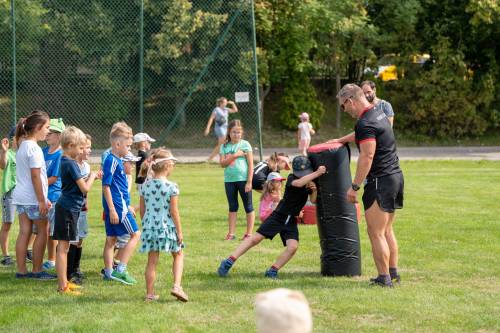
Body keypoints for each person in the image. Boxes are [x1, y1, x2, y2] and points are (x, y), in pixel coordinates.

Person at [336, 83, 404, 287]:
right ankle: (392, 273)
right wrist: (340, 140)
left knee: (375, 232)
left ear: (350, 100)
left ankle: (384, 279)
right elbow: (364, 136)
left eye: (342, 106)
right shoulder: (378, 113)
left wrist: (354, 186)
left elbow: (367, 155)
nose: (344, 110)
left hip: (380, 180)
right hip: (395, 177)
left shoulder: (365, 123)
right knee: (386, 230)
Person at [217, 156, 325, 279]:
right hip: (279, 216)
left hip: (291, 221)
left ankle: (273, 270)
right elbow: (299, 183)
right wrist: (317, 173)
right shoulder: (292, 178)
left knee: (293, 247)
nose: (302, 175)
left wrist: (314, 190)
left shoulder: (309, 182)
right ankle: (229, 261)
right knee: (255, 239)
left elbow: (313, 200)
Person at [138, 148, 188, 302]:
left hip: (150, 227)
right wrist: (179, 232)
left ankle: (150, 294)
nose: (173, 166)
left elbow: (142, 210)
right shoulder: (172, 187)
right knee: (178, 254)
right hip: (167, 227)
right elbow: (174, 212)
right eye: (172, 164)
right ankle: (177, 286)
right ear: (167, 166)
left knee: (152, 260)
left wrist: (146, 224)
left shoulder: (144, 186)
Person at [53, 126, 98, 295]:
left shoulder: (65, 161)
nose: (81, 151)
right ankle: (62, 286)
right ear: (70, 146)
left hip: (69, 208)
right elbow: (85, 189)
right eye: (80, 147)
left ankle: (64, 282)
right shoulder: (70, 164)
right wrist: (92, 176)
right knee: (63, 249)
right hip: (67, 210)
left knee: (64, 248)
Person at [12, 111, 55, 279]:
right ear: (38, 127)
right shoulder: (35, 149)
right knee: (43, 231)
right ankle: (37, 270)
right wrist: (41, 200)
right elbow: (36, 176)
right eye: (47, 127)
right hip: (33, 199)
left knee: (24, 232)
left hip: (21, 197)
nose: (48, 131)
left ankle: (21, 271)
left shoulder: (22, 145)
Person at [102, 122, 140, 285]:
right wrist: (112, 209)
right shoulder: (112, 161)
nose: (129, 149)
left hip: (120, 206)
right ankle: (120, 270)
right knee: (136, 234)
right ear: (118, 144)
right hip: (118, 208)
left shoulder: (116, 159)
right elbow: (106, 186)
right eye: (129, 146)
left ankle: (109, 272)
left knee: (111, 240)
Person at [67, 134, 98, 285]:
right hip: (72, 208)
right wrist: (92, 177)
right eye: (86, 147)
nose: (89, 150)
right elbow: (82, 187)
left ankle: (76, 268)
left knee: (80, 239)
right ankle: (69, 272)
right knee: (72, 240)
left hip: (82, 208)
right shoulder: (72, 165)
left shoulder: (85, 166)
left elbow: (85, 191)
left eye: (90, 147)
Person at [219, 120, 254, 241]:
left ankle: (249, 234)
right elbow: (222, 164)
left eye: (238, 132)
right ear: (229, 132)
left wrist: (249, 181)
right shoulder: (224, 146)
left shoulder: (245, 145)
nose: (236, 135)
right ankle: (231, 234)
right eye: (234, 132)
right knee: (232, 207)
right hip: (229, 181)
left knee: (248, 206)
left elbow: (250, 164)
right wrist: (234, 155)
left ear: (241, 133)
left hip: (243, 180)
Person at [42, 118, 65, 271]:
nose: (47, 135)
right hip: (42, 195)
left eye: (51, 133)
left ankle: (52, 260)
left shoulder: (60, 154)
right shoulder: (43, 151)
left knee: (52, 232)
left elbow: (54, 178)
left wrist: (37, 184)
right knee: (43, 230)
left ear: (59, 136)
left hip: (54, 197)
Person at [0, 127, 17, 266]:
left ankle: (27, 250)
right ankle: (6, 255)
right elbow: (2, 165)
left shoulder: (26, 153)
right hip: (10, 193)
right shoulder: (9, 153)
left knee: (32, 223)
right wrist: (3, 152)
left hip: (25, 192)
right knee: (7, 223)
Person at [204, 97, 238, 162]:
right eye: (225, 102)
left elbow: (235, 110)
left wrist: (233, 104)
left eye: (226, 102)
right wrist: (207, 128)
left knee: (222, 144)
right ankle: (210, 159)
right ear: (221, 103)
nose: (226, 103)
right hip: (219, 128)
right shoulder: (216, 109)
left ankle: (217, 158)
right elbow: (211, 118)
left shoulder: (226, 109)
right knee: (221, 144)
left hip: (226, 128)